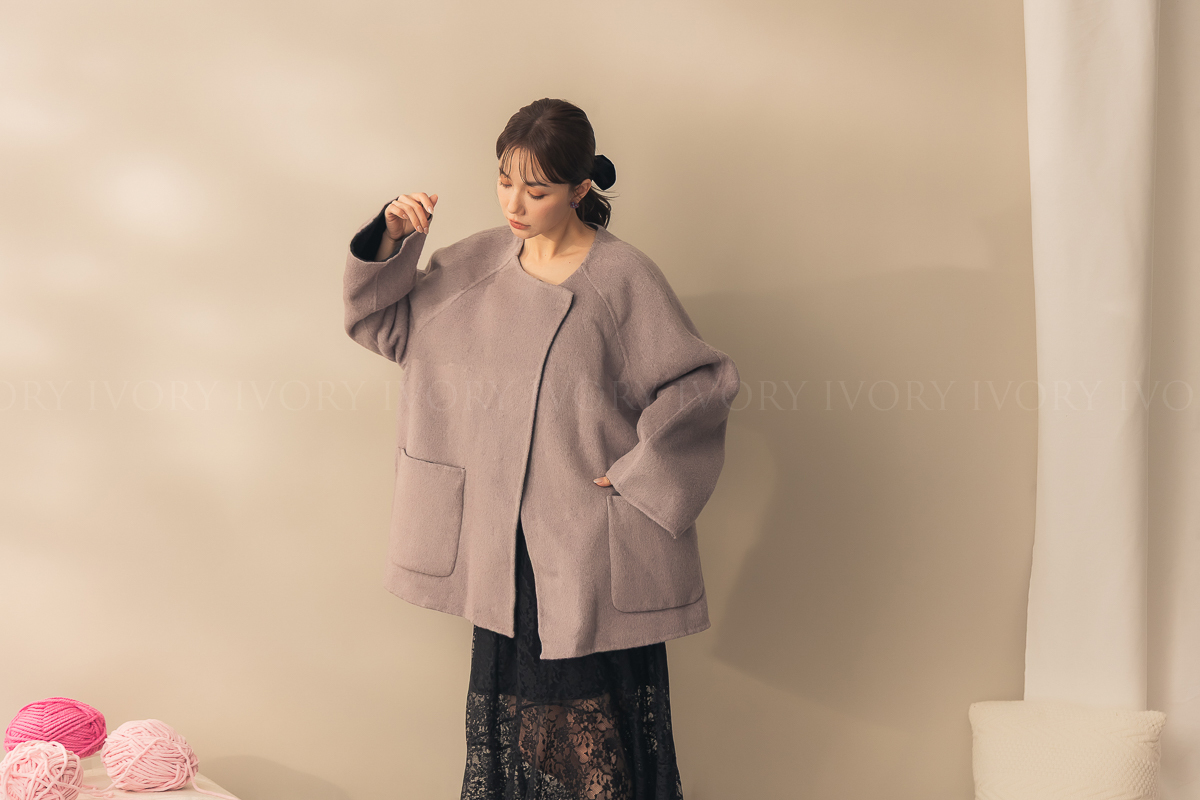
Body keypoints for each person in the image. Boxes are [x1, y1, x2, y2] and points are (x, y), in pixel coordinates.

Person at [342, 98, 740, 799]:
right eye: (504, 182)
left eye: (537, 189)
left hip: (587, 549)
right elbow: (384, 326)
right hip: (501, 547)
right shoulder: (470, 267)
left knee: (597, 745)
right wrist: (390, 237)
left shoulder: (622, 278)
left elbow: (702, 385)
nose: (514, 204)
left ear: (581, 189)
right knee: (523, 742)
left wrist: (639, 475)